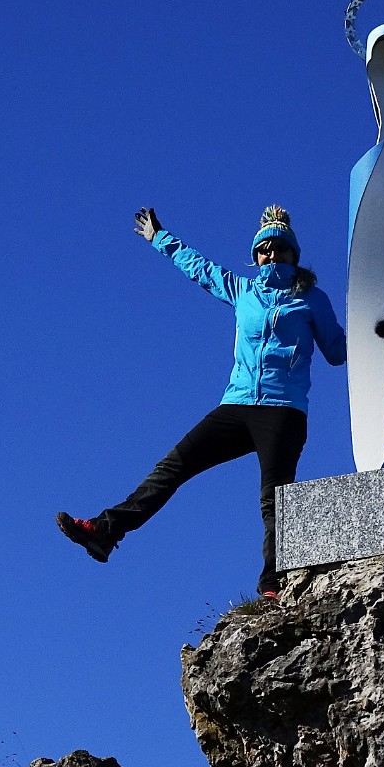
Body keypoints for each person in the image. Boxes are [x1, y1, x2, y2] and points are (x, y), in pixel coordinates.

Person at [56, 205, 347, 598]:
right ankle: (106, 530)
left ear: (294, 254)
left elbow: (337, 351)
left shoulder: (312, 299)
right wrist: (160, 238)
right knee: (174, 465)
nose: (271, 255)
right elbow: (201, 269)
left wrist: (374, 327)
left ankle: (273, 581)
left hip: (283, 408)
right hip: (238, 402)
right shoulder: (245, 290)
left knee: (275, 497)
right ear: (256, 255)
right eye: (264, 249)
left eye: (279, 248)